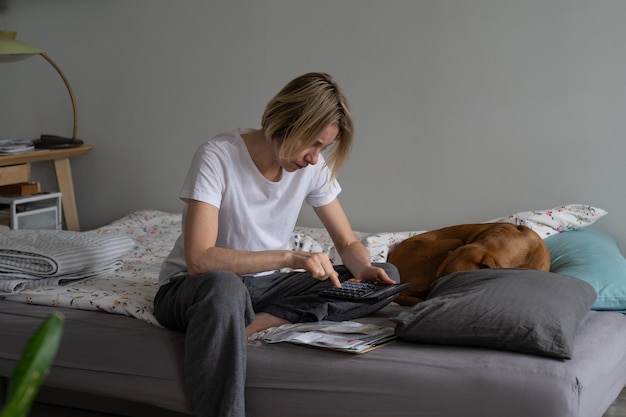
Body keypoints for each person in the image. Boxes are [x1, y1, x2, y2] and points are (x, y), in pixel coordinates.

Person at [154, 72, 400, 417]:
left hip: (265, 287)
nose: (315, 158)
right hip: (197, 289)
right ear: (286, 120)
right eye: (312, 143)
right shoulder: (217, 156)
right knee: (225, 288)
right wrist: (290, 257)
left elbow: (345, 240)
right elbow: (200, 260)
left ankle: (261, 320)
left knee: (386, 275)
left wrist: (364, 269)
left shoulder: (310, 168)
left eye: (323, 148)